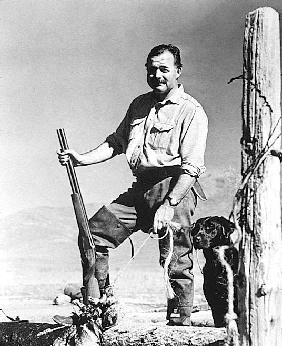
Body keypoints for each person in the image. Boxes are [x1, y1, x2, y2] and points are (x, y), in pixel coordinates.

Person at [56, 44, 208, 327]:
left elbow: (192, 167)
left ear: (178, 71)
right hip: (141, 188)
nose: (157, 75)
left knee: (175, 259)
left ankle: (178, 325)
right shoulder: (139, 105)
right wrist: (81, 159)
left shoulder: (191, 111)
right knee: (94, 235)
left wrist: (170, 204)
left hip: (174, 187)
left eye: (164, 69)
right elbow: (116, 143)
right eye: (151, 69)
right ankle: (97, 312)